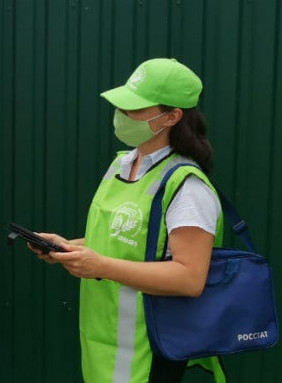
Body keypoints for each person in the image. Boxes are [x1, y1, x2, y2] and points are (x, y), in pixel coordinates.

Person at [29, 58, 227, 383]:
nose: (122, 116)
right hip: (103, 338)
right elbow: (125, 239)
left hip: (149, 349)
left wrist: (100, 266)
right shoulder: (123, 165)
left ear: (173, 116)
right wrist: (69, 247)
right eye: (122, 106)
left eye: (134, 109)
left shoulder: (186, 187)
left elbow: (190, 278)